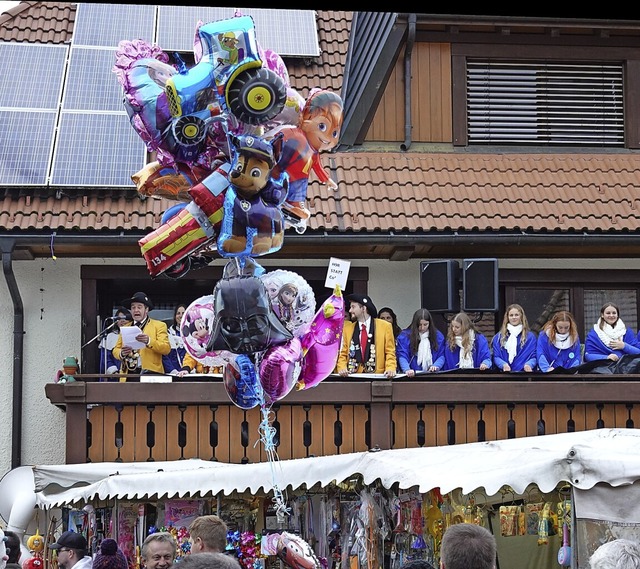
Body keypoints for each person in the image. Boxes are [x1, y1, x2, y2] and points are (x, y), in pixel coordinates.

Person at [270, 89, 344, 221]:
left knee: (299, 186)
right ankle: (284, 197)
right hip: (280, 167)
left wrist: (326, 179)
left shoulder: (314, 151)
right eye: (322, 126)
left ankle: (294, 204)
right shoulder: (293, 134)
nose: (326, 137)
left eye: (334, 133)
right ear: (305, 116)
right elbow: (276, 139)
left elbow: (317, 166)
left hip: (298, 177)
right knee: (285, 180)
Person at [336, 293, 397, 378]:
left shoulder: (385, 326)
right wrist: (342, 368)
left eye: (353, 307)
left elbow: (390, 352)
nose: (350, 310)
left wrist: (390, 368)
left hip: (377, 376)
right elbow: (343, 353)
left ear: (363, 308)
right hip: (353, 377)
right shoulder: (348, 328)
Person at [113, 292, 171, 376]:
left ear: (146, 309)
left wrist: (149, 341)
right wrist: (121, 353)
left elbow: (166, 349)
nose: (136, 310)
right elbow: (115, 350)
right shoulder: (126, 327)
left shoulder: (159, 326)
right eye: (133, 308)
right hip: (128, 374)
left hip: (150, 374)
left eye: (139, 307)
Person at [396, 308, 445, 375]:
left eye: (425, 325)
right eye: (419, 325)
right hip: (411, 375)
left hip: (433, 375)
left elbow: (441, 355)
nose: (422, 328)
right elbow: (402, 356)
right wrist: (407, 369)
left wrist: (436, 366)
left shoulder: (438, 336)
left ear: (430, 323)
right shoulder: (405, 336)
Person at [491, 304, 537, 372]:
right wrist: (503, 365)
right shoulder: (499, 337)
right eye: (511, 315)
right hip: (504, 375)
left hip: (524, 375)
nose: (514, 317)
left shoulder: (530, 337)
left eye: (516, 315)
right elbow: (496, 356)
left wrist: (529, 365)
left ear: (521, 316)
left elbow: (534, 356)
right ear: (507, 317)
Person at [99, 306, 131, 379]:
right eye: (119, 319)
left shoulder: (136, 336)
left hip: (132, 375)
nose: (122, 321)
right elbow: (106, 359)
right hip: (115, 376)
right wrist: (114, 372)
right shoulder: (110, 337)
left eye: (124, 318)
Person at [163, 303, 187, 375]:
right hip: (173, 374)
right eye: (178, 313)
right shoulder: (168, 333)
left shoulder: (194, 335)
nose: (181, 316)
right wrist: (173, 371)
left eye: (183, 313)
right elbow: (165, 356)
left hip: (190, 373)